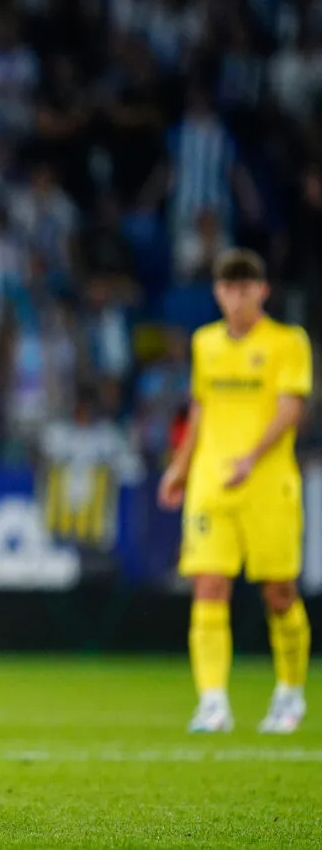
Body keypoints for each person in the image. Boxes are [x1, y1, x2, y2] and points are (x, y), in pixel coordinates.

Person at [158, 248, 312, 734]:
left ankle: (289, 695)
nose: (236, 297)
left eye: (245, 288)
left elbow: (291, 408)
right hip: (211, 484)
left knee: (279, 592)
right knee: (208, 585)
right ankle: (213, 702)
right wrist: (180, 468)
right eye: (228, 288)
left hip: (268, 483)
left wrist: (251, 457)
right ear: (218, 292)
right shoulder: (205, 344)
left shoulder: (289, 342)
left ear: (262, 291)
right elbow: (200, 411)